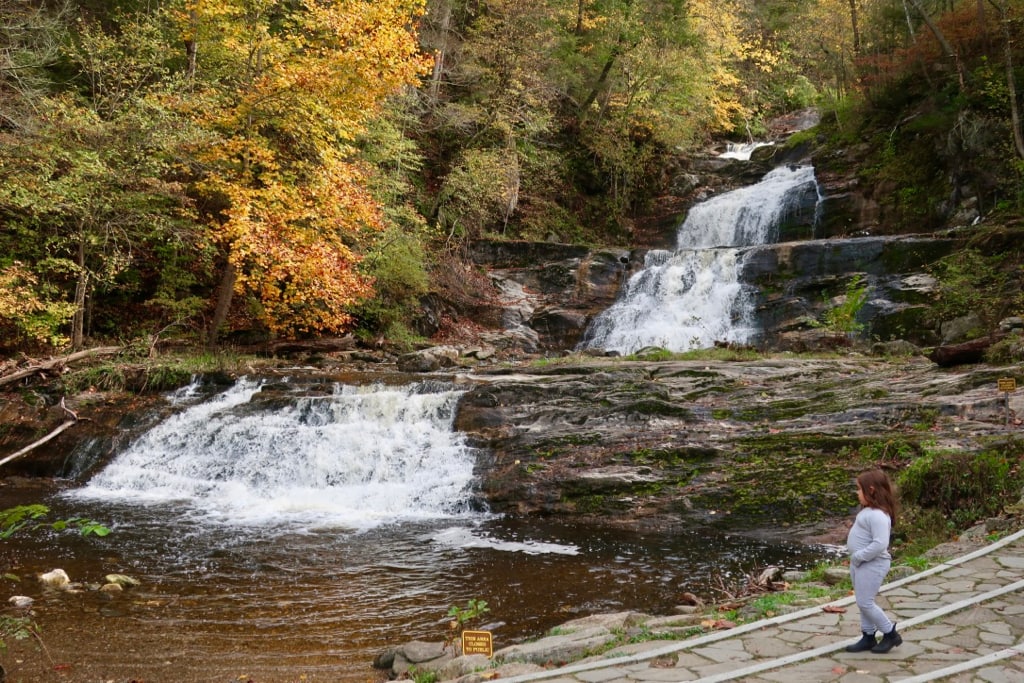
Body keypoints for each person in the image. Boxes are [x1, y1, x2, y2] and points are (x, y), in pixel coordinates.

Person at [845, 468, 902, 654]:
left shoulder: (878, 515)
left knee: (865, 602)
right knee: (862, 600)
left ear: (871, 490)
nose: (857, 493)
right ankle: (868, 636)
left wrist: (860, 556)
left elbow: (880, 543)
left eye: (859, 489)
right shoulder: (868, 511)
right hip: (860, 563)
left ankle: (890, 633)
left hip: (872, 563)